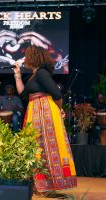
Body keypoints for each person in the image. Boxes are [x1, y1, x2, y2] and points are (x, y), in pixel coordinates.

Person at [13, 45, 77, 193]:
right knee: (36, 145)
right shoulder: (34, 75)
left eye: (27, 55)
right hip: (34, 109)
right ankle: (39, 182)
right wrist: (17, 74)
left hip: (45, 111)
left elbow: (57, 94)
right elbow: (23, 93)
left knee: (47, 144)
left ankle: (50, 182)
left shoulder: (41, 73)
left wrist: (59, 109)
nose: (25, 58)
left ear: (33, 57)